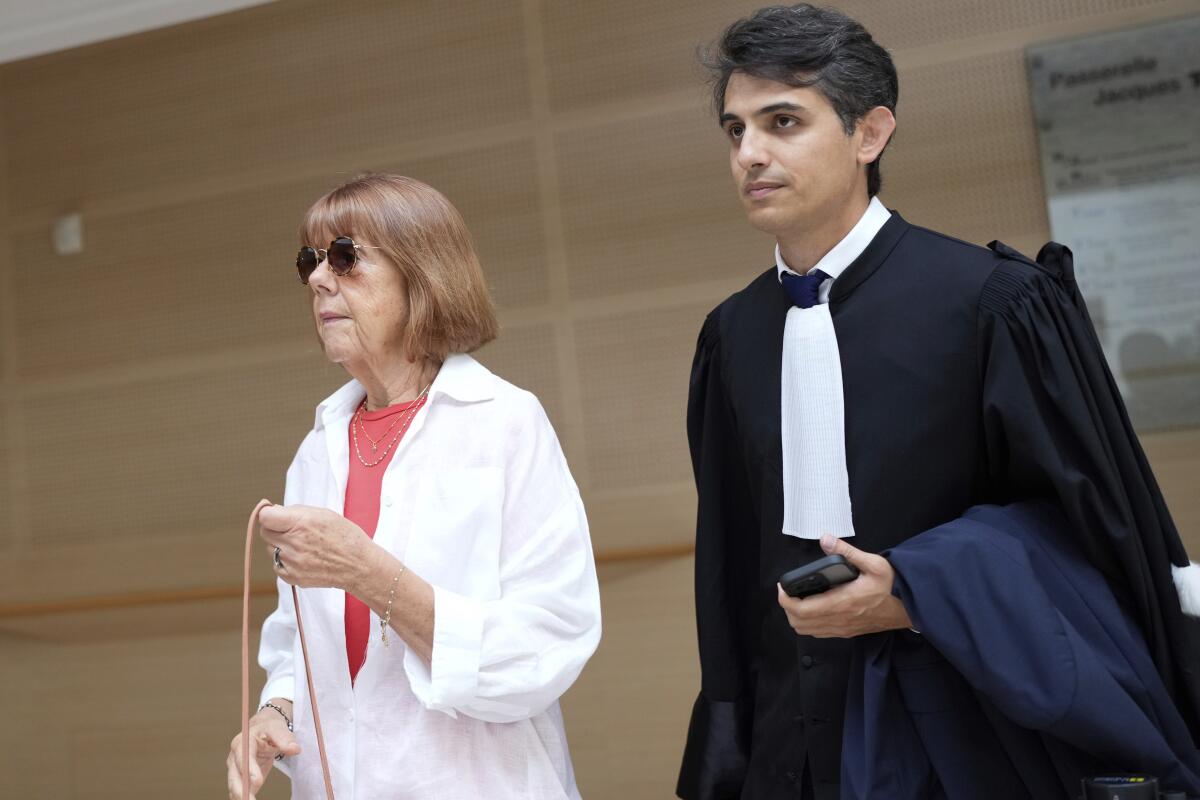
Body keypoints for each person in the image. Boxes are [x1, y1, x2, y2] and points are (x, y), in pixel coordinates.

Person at [674, 5, 1200, 799]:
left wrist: (921, 589)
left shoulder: (997, 303)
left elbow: (1094, 532)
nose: (750, 153)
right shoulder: (732, 336)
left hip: (970, 731)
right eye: (734, 130)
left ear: (870, 133)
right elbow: (729, 567)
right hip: (793, 740)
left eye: (783, 121)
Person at [224, 174, 601, 800]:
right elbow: (297, 641)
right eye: (308, 262)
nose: (319, 279)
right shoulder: (315, 451)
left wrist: (368, 573)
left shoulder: (505, 422)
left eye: (345, 257)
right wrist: (275, 713)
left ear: (421, 275)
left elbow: (548, 643)